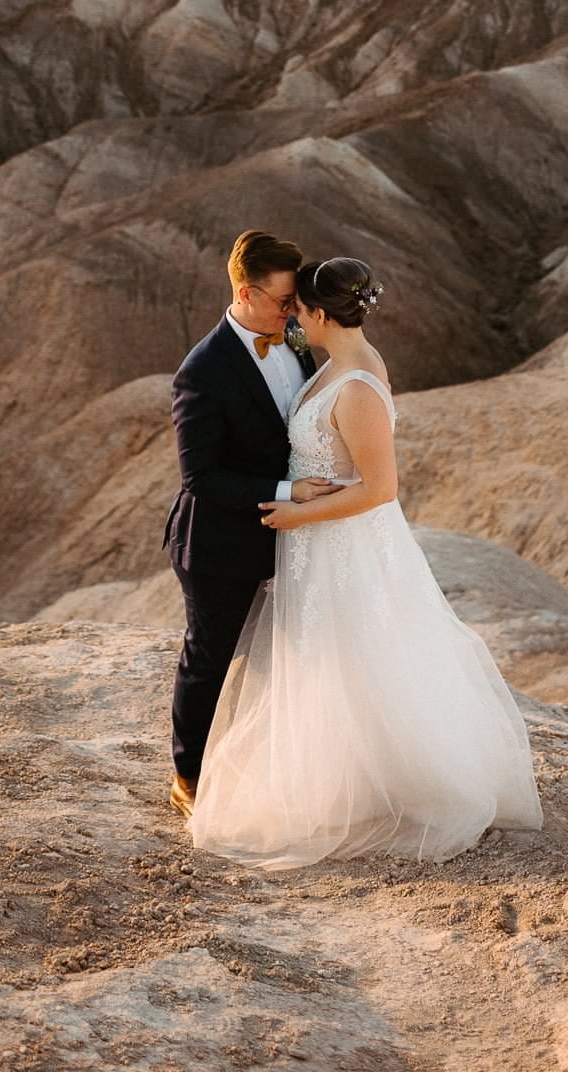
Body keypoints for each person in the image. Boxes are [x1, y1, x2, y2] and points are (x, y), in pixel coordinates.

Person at [187, 255, 544, 869]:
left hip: (337, 543)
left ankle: (389, 786)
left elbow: (381, 488)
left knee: (354, 657)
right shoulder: (337, 362)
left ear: (323, 314)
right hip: (321, 544)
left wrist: (296, 515)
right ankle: (339, 777)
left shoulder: (354, 385)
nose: (292, 317)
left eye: (300, 309)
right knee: (333, 661)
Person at [162, 230, 341, 821]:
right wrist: (288, 491)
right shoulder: (203, 371)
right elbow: (200, 478)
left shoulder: (289, 334)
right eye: (284, 300)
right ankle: (188, 778)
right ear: (246, 291)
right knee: (210, 660)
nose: (295, 313)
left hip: (287, 535)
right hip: (218, 543)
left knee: (285, 657)